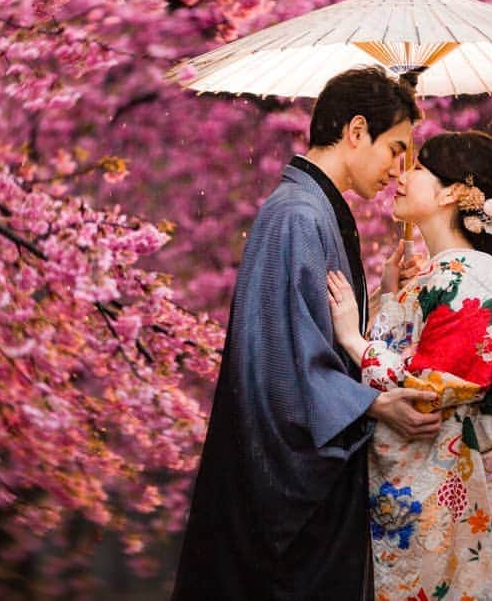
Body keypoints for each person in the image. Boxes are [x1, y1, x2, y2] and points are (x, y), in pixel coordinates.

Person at [171, 66, 444, 601]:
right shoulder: (299, 214)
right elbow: (290, 364)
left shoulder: (307, 207)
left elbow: (309, 338)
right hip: (286, 496)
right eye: (395, 148)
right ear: (357, 131)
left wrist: (383, 293)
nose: (398, 169)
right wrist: (374, 404)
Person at [328, 131, 492, 601]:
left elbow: (422, 396)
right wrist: (393, 297)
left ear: (452, 191)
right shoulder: (452, 281)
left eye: (416, 167)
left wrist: (354, 339)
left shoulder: (463, 286)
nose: (400, 173)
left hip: (485, 519)